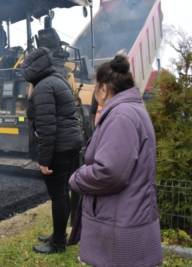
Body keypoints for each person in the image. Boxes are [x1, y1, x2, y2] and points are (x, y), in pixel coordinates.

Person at [69, 55, 163, 266]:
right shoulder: (131, 109)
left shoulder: (121, 116)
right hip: (125, 218)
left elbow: (110, 172)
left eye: (95, 88)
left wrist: (77, 178)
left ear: (103, 88)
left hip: (119, 227)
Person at [23, 47, 83, 254]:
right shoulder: (57, 80)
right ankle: (59, 235)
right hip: (70, 144)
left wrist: (44, 160)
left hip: (59, 148)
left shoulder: (43, 87)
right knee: (64, 194)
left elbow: (47, 128)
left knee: (58, 195)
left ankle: (58, 243)